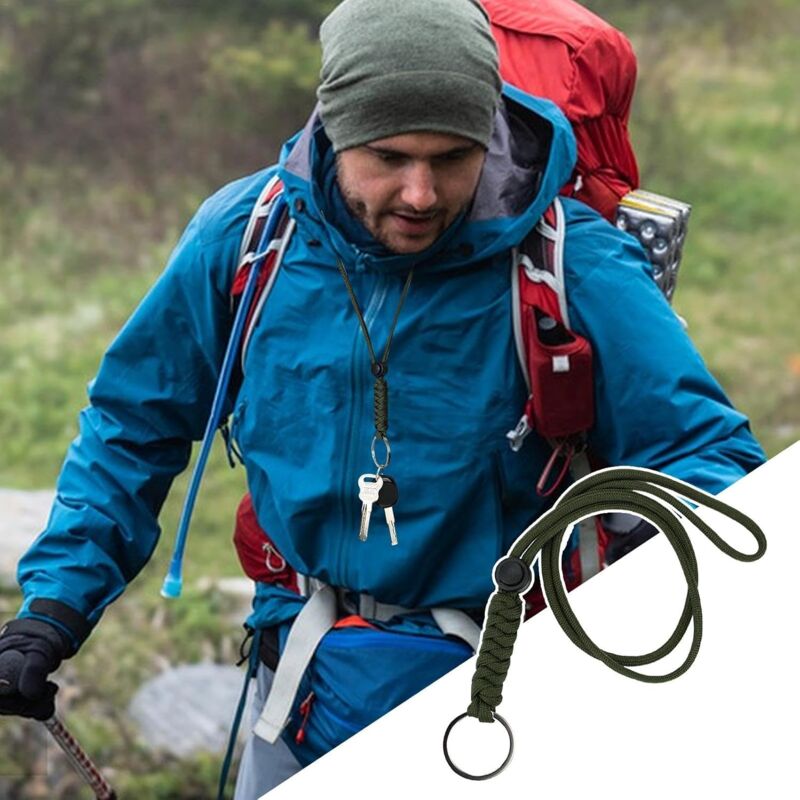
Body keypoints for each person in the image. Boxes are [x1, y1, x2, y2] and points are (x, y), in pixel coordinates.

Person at [0, 1, 765, 797]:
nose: (421, 193)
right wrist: (54, 606)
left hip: (507, 709)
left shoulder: (570, 264)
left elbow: (711, 458)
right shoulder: (251, 239)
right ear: (334, 128)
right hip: (299, 691)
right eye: (389, 156)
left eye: (453, 157)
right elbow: (135, 421)